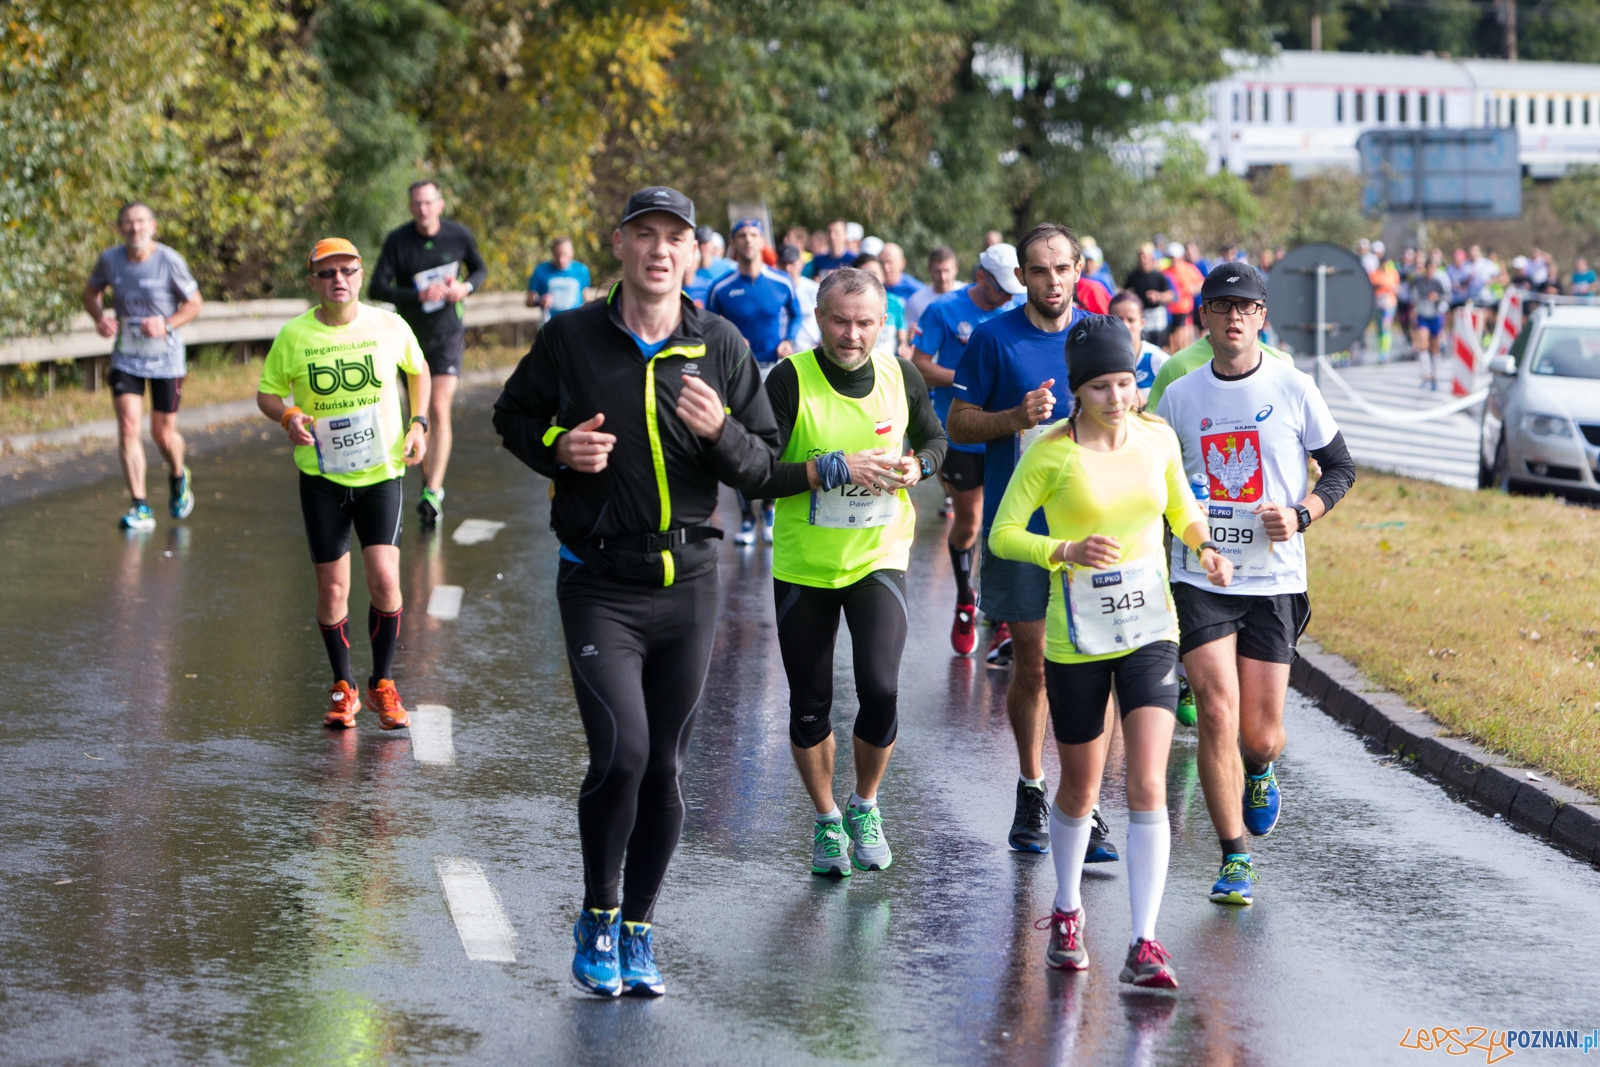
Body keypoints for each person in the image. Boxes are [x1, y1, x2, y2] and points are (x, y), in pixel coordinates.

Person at [492, 186, 780, 998]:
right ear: (617, 245)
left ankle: (641, 929)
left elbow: (762, 462)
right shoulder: (572, 336)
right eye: (645, 235)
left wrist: (719, 431)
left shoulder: (718, 344)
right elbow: (511, 416)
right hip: (600, 582)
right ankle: (598, 912)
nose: (659, 250)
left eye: (675, 239)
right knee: (622, 753)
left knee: (667, 769)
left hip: (688, 582)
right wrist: (558, 446)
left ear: (693, 255)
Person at [991, 314, 1232, 987]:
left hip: (1151, 629)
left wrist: (1205, 545)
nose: (1118, 397)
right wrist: (1061, 550)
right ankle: (1067, 911)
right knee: (1081, 785)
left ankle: (1144, 941)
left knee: (1149, 781)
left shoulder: (1155, 439)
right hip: (1078, 638)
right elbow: (1004, 535)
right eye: (1101, 385)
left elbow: (1181, 507)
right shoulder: (1049, 453)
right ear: (1078, 389)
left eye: (1126, 382)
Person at [1155, 264, 1356, 907]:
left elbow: (1341, 467)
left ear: (1262, 317)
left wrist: (1300, 514)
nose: (1234, 317)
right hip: (1202, 575)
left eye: (1246, 307)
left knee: (1259, 735)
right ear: (1204, 319)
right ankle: (1234, 855)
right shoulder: (1180, 398)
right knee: (1216, 711)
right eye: (1221, 306)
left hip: (1274, 577)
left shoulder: (1294, 387)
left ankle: (1262, 770)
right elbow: (1156, 486)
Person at [751, 266, 946, 878]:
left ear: (882, 324)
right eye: (840, 320)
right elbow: (756, 473)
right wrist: (829, 469)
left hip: (877, 556)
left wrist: (918, 468)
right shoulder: (789, 380)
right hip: (805, 565)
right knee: (810, 704)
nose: (852, 335)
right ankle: (827, 819)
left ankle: (865, 803)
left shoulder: (901, 374)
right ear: (818, 318)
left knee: (881, 688)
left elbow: (935, 442)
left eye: (864, 323)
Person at [946, 223, 1130, 866]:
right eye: (1039, 271)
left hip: (1096, 534)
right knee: (1035, 667)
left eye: (1063, 268)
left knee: (1094, 673)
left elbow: (1128, 418)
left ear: (1079, 268)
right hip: (1021, 533)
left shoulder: (1099, 335)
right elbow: (958, 421)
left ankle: (1085, 802)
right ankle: (1031, 786)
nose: (1053, 281)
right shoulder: (994, 337)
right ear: (1021, 276)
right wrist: (1014, 419)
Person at [256, 237, 431, 732]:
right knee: (332, 588)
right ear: (312, 281)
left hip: (380, 473)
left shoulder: (388, 324)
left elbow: (419, 370)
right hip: (322, 476)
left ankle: (383, 684)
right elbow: (267, 392)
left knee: (384, 579)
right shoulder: (294, 335)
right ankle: (342, 686)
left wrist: (418, 423)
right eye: (327, 273)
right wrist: (288, 414)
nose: (339, 280)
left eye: (348, 271)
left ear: (359, 275)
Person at [911, 243, 1024, 655]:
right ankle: (965, 599)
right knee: (971, 523)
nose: (1008, 297)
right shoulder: (944, 309)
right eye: (1000, 289)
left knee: (1008, 525)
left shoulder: (1021, 305)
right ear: (979, 278)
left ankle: (1005, 619)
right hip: (960, 432)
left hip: (1010, 432)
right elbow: (919, 364)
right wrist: (968, 378)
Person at [368, 180, 487, 528]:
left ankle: (433, 490)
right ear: (410, 208)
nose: (423, 209)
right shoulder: (398, 241)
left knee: (438, 406)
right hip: (410, 339)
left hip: (448, 334)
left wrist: (465, 287)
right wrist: (417, 295)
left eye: (428, 203)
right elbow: (377, 286)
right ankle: (427, 483)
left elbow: (479, 270)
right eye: (416, 204)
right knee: (418, 414)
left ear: (440, 204)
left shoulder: (458, 235)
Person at [83, 201, 204, 531]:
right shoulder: (110, 260)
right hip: (127, 356)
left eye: (140, 222)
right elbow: (90, 293)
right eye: (128, 223)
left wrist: (166, 324)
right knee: (128, 426)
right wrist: (100, 319)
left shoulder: (169, 260)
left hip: (166, 359)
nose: (134, 228)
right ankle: (140, 506)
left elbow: (194, 304)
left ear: (152, 226)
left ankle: (178, 475)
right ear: (120, 228)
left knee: (162, 433)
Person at [707, 219, 803, 545]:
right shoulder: (721, 287)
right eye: (741, 237)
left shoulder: (781, 282)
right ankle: (747, 518)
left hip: (773, 369)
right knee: (737, 442)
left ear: (762, 242)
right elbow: (707, 324)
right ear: (734, 245)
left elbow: (798, 313)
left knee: (776, 440)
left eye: (753, 235)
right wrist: (729, 340)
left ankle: (770, 510)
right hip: (737, 374)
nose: (748, 241)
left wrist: (789, 339)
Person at [1108, 291, 1168, 404]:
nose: (1125, 326)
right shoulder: (1100, 360)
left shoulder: (1157, 360)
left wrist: (1144, 407)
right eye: (1119, 320)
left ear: (1142, 323)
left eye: (1131, 320)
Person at [850, 254, 909, 357]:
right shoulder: (847, 304)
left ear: (883, 275)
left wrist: (903, 346)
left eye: (874, 273)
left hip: (887, 364)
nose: (870, 279)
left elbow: (901, 330)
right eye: (864, 275)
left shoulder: (896, 302)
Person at [1123, 243, 1174, 349]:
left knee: (1159, 346)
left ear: (1151, 257)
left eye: (1144, 256)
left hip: (1157, 315)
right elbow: (1125, 293)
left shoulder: (1158, 276)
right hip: (1141, 314)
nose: (1142, 259)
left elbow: (1171, 295)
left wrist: (1158, 296)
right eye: (1140, 256)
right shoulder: (1133, 276)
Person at [1412, 250, 1450, 390]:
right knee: (1423, 344)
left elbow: (1447, 297)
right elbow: (1413, 296)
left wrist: (1437, 298)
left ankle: (1435, 374)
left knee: (1434, 346)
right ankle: (1425, 374)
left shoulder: (1439, 281)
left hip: (1435, 315)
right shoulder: (1418, 282)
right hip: (1423, 315)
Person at [526, 237, 592, 316]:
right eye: (557, 255)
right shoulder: (541, 270)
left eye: (565, 254)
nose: (561, 260)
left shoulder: (581, 270)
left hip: (574, 321)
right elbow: (529, 301)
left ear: (572, 252)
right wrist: (540, 301)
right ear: (552, 253)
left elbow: (587, 299)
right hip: (550, 322)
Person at [905, 246, 960, 334]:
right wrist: (910, 336)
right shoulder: (916, 300)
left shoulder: (969, 295)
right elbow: (909, 335)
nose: (943, 277)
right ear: (929, 270)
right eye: (938, 271)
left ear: (955, 269)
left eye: (946, 271)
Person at [780, 244, 822, 351]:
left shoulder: (814, 290)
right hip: (780, 352)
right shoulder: (771, 291)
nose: (787, 268)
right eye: (783, 263)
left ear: (801, 264)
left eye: (791, 263)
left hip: (810, 351)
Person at [685, 227, 735, 305]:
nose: (702, 247)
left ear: (712, 244)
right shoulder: (690, 271)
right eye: (700, 243)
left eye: (705, 243)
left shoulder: (728, 268)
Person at [1369, 241, 1399, 362]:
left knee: (1386, 327)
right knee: (1379, 328)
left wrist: (1383, 286)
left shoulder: (1392, 273)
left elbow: (1394, 286)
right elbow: (1373, 285)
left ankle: (1384, 354)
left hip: (1389, 303)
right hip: (1378, 303)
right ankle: (1380, 350)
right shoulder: (1375, 273)